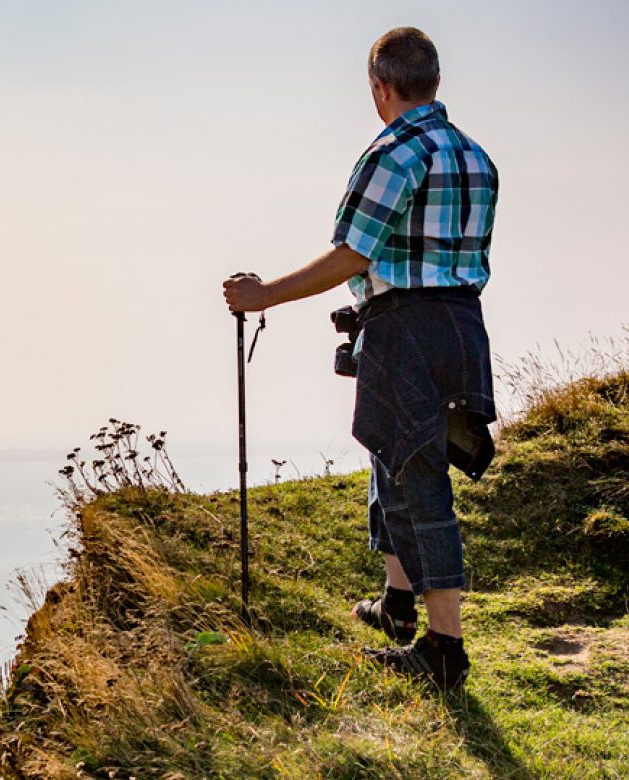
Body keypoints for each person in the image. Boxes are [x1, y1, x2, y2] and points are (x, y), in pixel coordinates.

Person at [222, 26, 497, 690]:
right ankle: (398, 604)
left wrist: (265, 295)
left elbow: (353, 254)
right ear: (434, 80)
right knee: (392, 455)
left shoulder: (393, 152)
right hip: (462, 324)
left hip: (407, 329)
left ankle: (443, 651)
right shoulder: (475, 156)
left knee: (419, 479)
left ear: (380, 87)